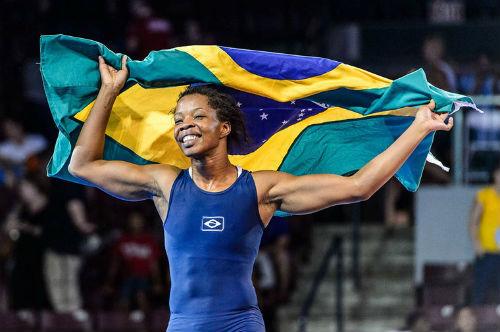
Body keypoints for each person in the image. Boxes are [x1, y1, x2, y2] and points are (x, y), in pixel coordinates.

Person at [67, 55, 453, 331]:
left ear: (224, 128)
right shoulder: (165, 184)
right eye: (179, 120)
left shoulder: (260, 188)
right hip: (182, 325)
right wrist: (109, 91)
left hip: (240, 324)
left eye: (198, 116)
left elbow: (359, 187)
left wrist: (418, 128)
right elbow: (82, 166)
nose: (185, 126)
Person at [469, 163, 500, 304]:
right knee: (480, 289)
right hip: (487, 252)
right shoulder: (484, 195)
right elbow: (473, 222)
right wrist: (477, 246)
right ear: (495, 175)